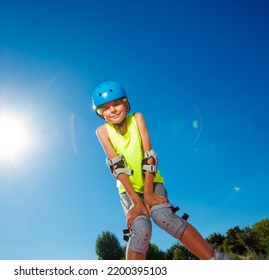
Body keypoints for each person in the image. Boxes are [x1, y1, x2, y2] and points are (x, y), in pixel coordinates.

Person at [92, 81, 229, 260]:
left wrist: (148, 193)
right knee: (141, 230)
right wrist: (136, 201)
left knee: (164, 217)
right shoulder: (102, 132)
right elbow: (117, 167)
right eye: (106, 108)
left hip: (152, 180)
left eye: (116, 104)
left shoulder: (137, 118)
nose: (113, 110)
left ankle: (217, 261)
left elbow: (149, 156)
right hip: (128, 190)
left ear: (126, 103)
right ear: (101, 113)